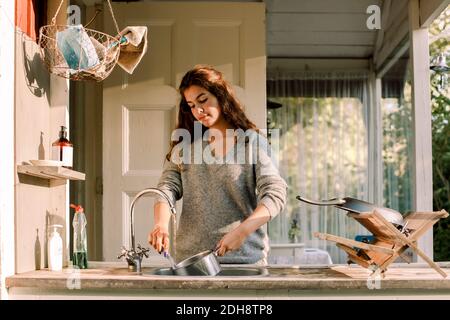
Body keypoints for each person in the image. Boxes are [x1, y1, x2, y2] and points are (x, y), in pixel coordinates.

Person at [148, 65, 287, 265]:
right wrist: (160, 224)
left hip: (244, 261)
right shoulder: (186, 147)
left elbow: (275, 193)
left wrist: (242, 231)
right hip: (192, 261)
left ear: (221, 95)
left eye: (203, 100)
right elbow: (166, 188)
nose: (198, 110)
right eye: (192, 105)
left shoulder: (252, 143)